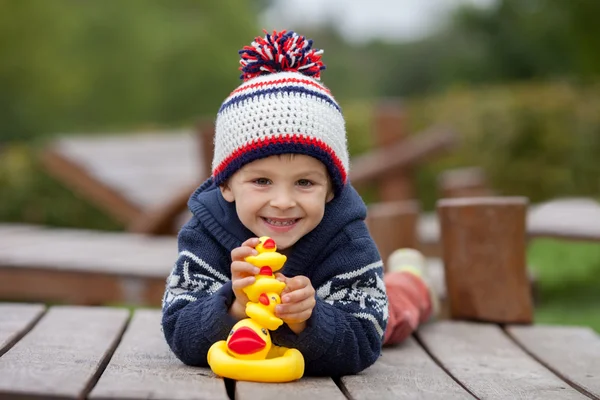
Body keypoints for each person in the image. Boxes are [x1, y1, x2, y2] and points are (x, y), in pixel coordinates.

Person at [161, 30, 436, 377]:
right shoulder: (205, 232)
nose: (282, 201)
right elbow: (178, 331)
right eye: (262, 181)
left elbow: (365, 342)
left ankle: (414, 282)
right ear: (227, 185)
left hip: (358, 309)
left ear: (331, 190)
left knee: (396, 310)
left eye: (305, 182)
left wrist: (310, 318)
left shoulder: (346, 239)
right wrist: (233, 307)